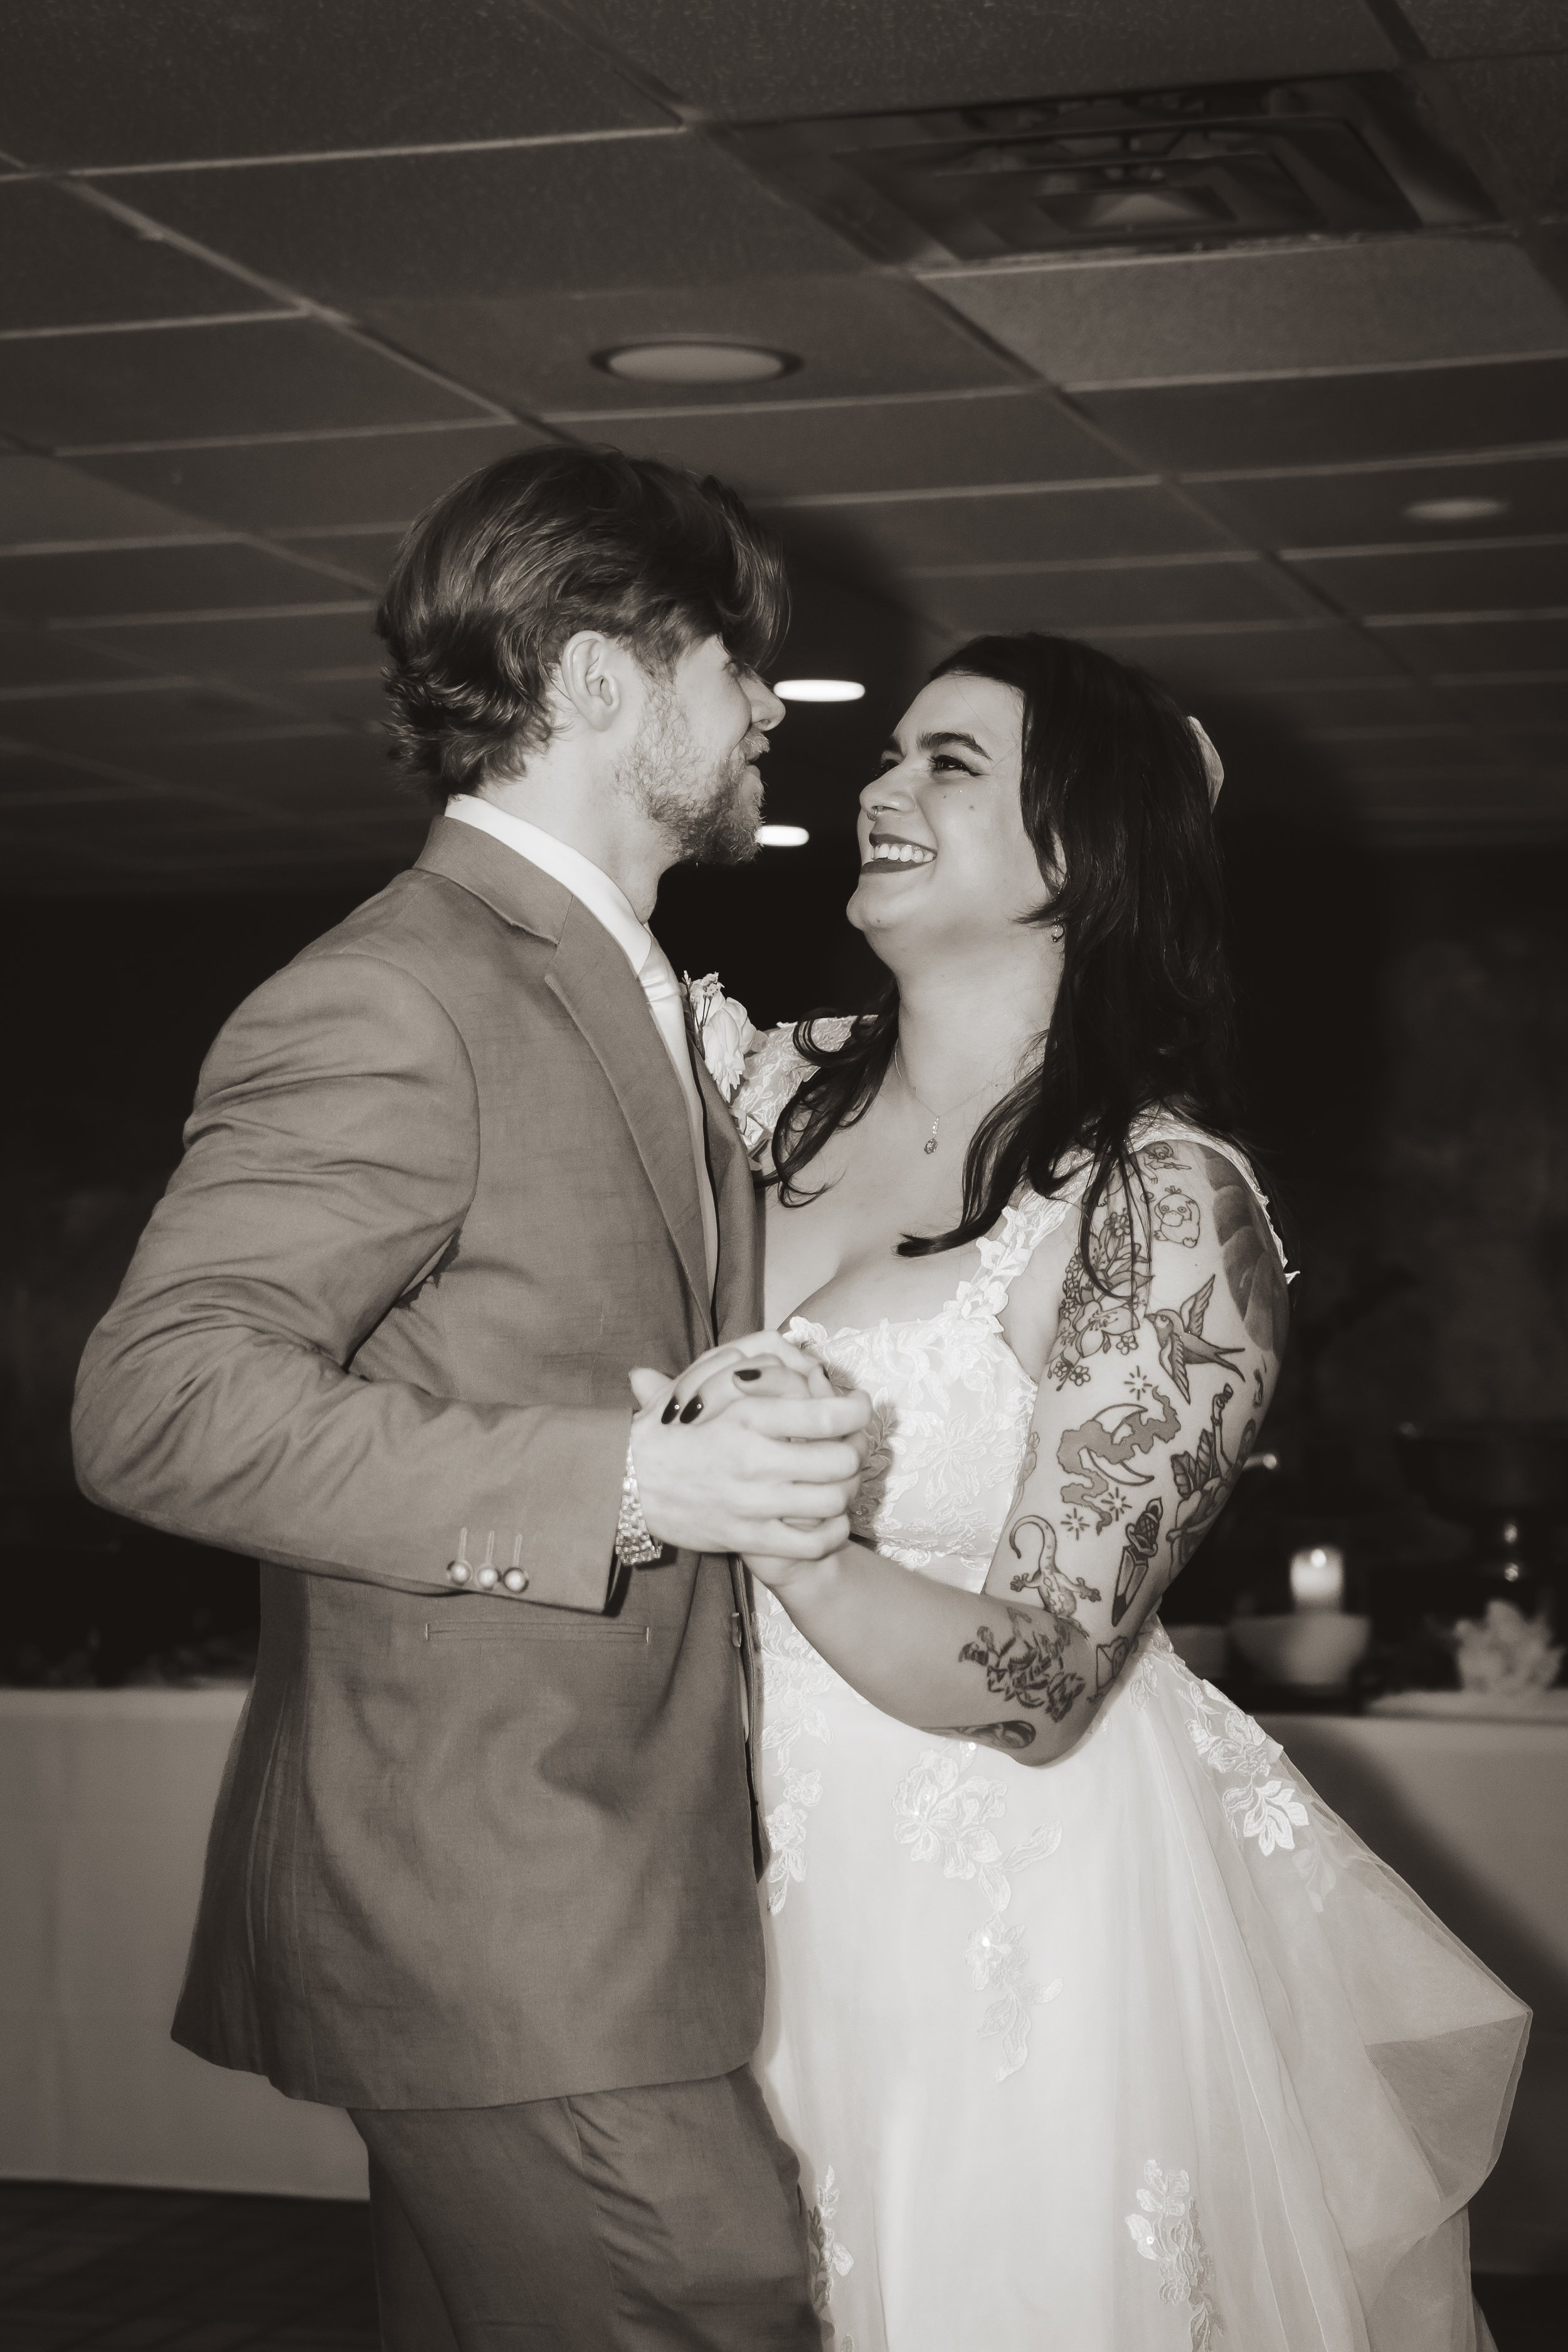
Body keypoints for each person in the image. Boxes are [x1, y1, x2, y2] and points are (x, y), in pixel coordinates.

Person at [71, 447, 873, 2351]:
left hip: (603, 1885)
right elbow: (157, 1401)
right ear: (601, 682)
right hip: (491, 1894)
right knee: (721, 2294)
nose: (766, 706)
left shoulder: (624, 989)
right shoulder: (403, 994)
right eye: (731, 662)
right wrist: (637, 1480)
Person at [679, 633, 1527, 2351]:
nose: (882, 787)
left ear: (1085, 856)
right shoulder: (766, 1096)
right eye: (891, 753)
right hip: (712, 1846)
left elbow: (1048, 1678)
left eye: (949, 765)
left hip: (997, 1874)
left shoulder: (1152, 1205)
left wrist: (785, 1529)